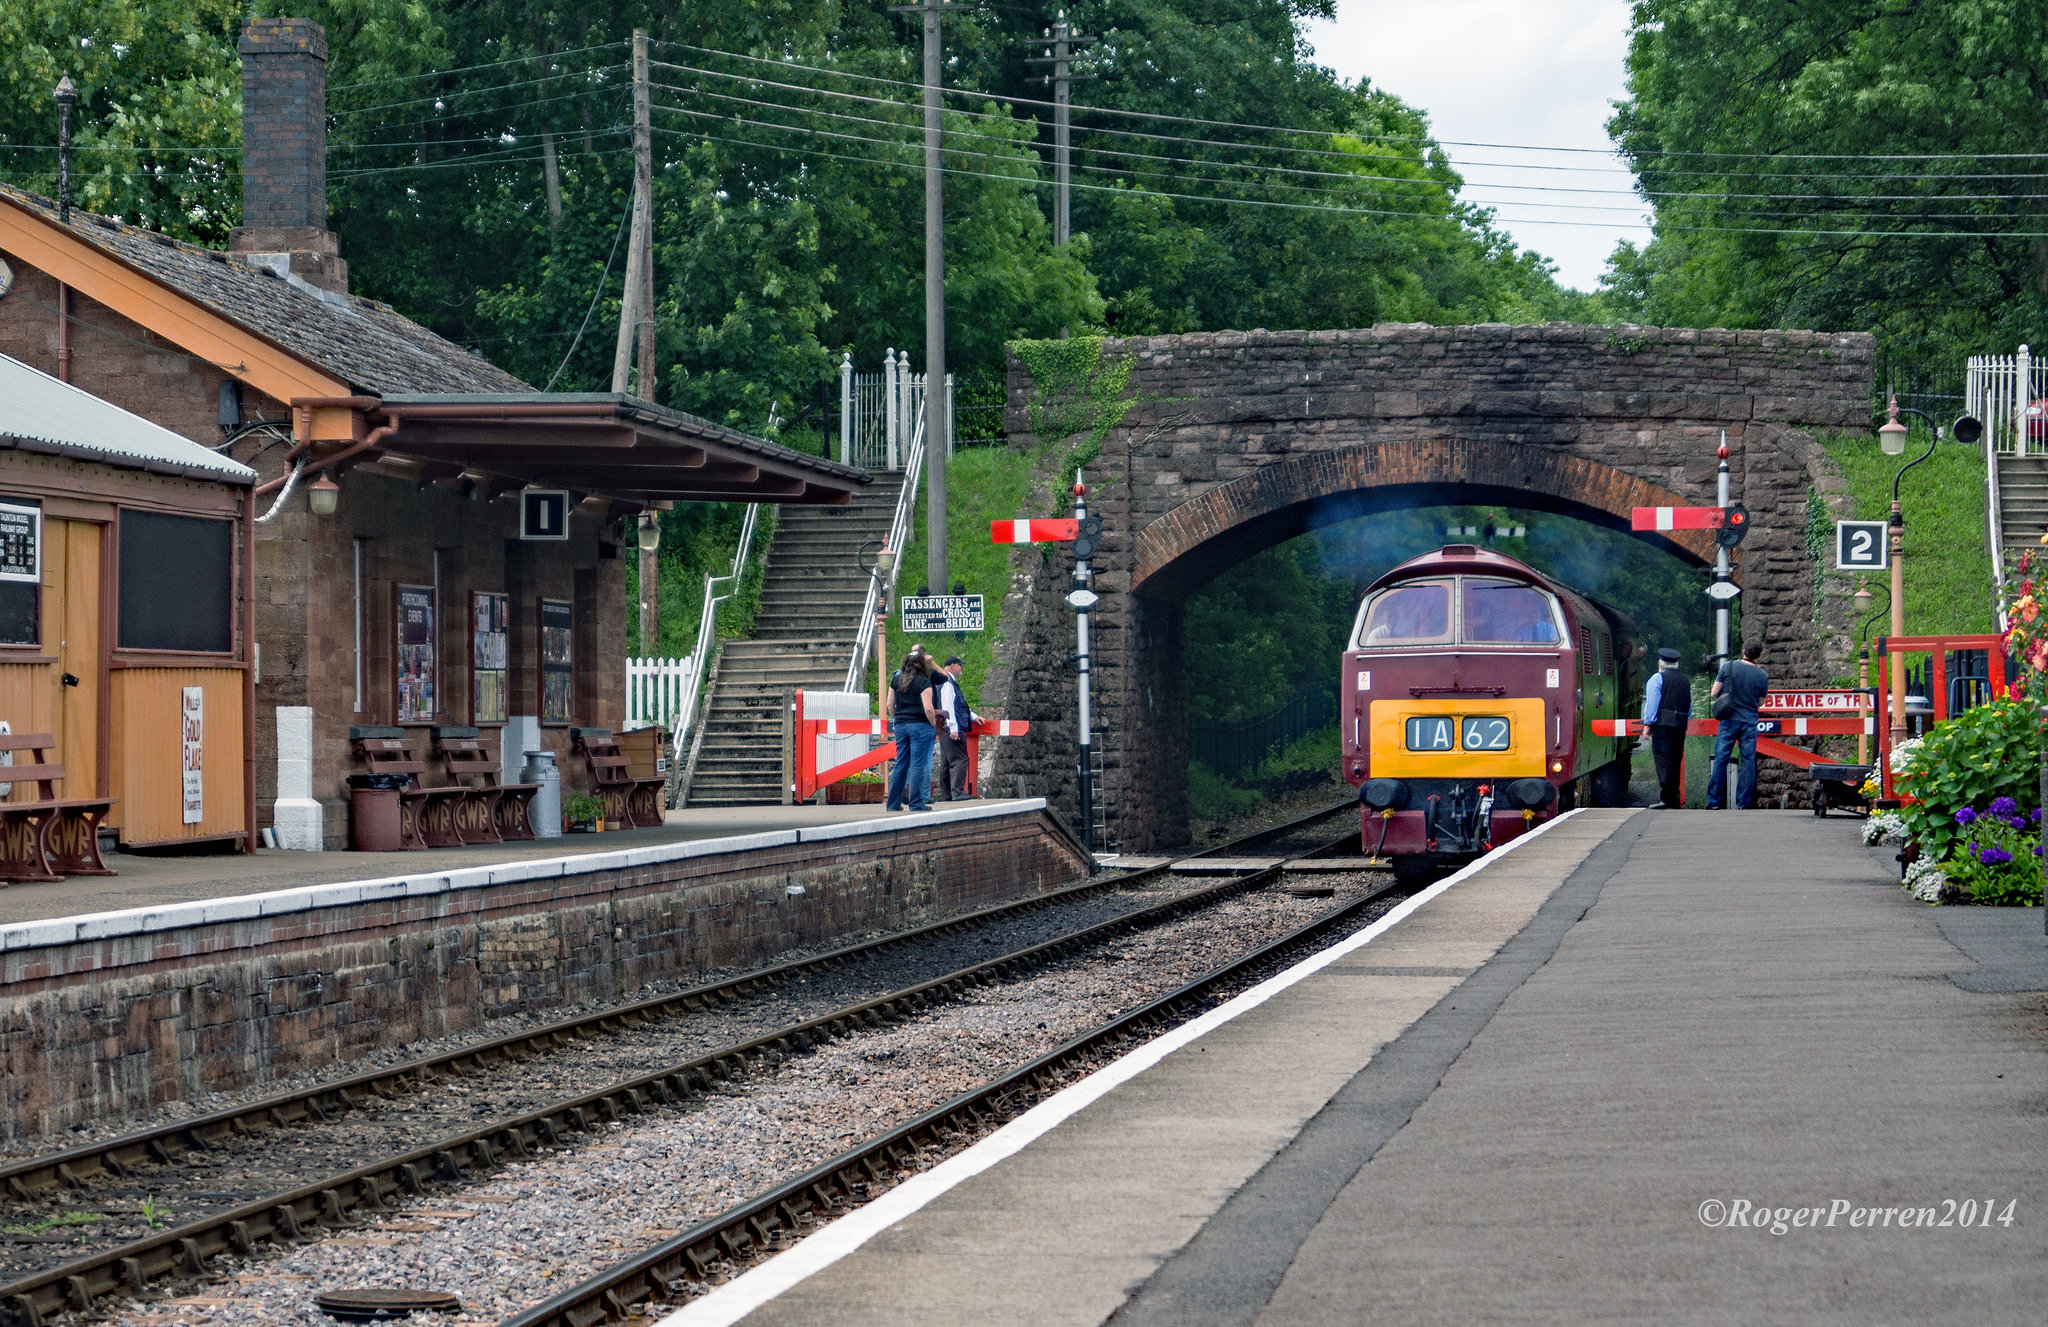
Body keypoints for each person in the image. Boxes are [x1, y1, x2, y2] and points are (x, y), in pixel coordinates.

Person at [1705, 639, 1770, 810]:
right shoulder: (1762, 676)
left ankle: (1714, 802)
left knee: (1721, 759)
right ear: (1759, 655)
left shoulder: (1729, 667)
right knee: (1748, 760)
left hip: (1729, 720)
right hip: (1749, 721)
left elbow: (1714, 693)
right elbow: (1761, 702)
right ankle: (1743, 803)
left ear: (1743, 651)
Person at [885, 647, 942, 812]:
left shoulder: (896, 680)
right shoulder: (924, 681)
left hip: (901, 725)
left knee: (901, 763)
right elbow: (929, 708)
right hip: (920, 725)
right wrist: (933, 724)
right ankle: (916, 803)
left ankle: (893, 804)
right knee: (918, 764)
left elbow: (889, 704)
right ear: (921, 664)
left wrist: (898, 718)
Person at [1642, 647, 1691, 808]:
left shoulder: (1657, 678)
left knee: (1664, 760)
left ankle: (1666, 798)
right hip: (1680, 724)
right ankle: (1674, 797)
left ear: (1661, 663)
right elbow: (1689, 706)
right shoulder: (1685, 680)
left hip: (1663, 724)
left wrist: (1648, 723)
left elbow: (1653, 702)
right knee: (1676, 759)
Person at [934, 655, 979, 801]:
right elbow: (948, 706)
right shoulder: (948, 683)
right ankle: (957, 792)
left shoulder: (944, 681)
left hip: (943, 727)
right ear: (952, 665)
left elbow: (958, 705)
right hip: (951, 727)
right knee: (960, 759)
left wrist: (973, 716)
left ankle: (946, 795)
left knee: (947, 761)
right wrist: (953, 728)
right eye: (960, 665)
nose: (962, 668)